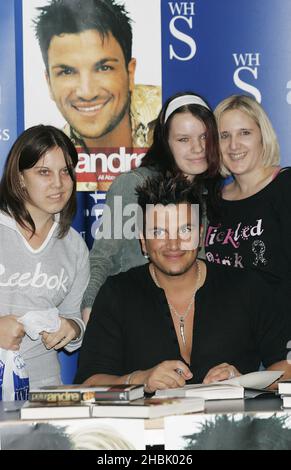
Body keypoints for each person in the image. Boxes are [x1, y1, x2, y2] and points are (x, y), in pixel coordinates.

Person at [75, 174, 291, 392]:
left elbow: (287, 368)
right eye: (159, 232)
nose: (174, 244)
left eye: (185, 230)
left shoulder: (247, 287)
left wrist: (242, 381)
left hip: (235, 424)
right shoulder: (117, 293)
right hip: (148, 425)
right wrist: (141, 379)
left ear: (200, 234)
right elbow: (88, 384)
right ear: (143, 241)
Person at [81, 92, 221, 321]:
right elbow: (103, 256)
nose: (198, 148)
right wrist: (90, 308)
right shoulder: (134, 185)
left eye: (204, 137)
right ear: (166, 142)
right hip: (134, 320)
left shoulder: (211, 194)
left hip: (189, 323)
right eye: (183, 139)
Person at [0, 125, 90, 391]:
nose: (58, 183)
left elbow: (75, 317)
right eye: (43, 172)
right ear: (19, 178)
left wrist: (72, 329)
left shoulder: (74, 246)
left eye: (66, 171)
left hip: (44, 392)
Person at [33, 0, 161, 152]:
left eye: (103, 68)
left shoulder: (170, 115)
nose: (87, 93)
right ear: (49, 83)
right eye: (67, 72)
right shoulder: (55, 155)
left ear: (130, 73)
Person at [205, 94, 291, 280]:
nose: (234, 145)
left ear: (262, 136)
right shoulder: (211, 199)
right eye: (224, 136)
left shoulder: (285, 186)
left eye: (245, 132)